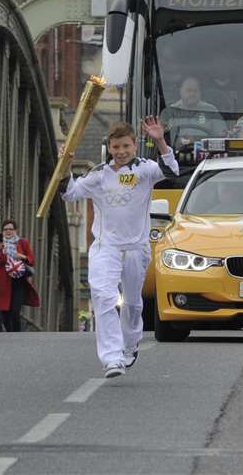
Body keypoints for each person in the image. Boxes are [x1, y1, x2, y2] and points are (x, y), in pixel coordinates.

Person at [62, 115, 176, 378]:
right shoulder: (99, 175)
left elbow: (171, 171)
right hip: (106, 247)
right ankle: (112, 358)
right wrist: (65, 165)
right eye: (116, 147)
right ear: (109, 148)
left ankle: (130, 343)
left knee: (133, 303)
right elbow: (70, 193)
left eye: (125, 146)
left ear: (134, 145)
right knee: (103, 296)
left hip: (136, 247)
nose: (121, 152)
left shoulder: (145, 170)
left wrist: (160, 141)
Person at [0, 220, 38, 332]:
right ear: (2, 232)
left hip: (19, 281)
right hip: (3, 281)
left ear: (15, 230)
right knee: (4, 311)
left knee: (15, 310)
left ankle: (16, 334)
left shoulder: (23, 243)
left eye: (10, 229)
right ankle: (9, 332)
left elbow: (31, 261)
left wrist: (22, 256)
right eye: (5, 229)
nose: (8, 231)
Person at [160, 77, 220, 149]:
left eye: (195, 91)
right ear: (180, 91)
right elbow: (159, 137)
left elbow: (221, 136)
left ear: (200, 92)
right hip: (173, 154)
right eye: (188, 91)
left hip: (206, 155)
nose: (192, 94)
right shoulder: (169, 112)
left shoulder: (211, 110)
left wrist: (195, 139)